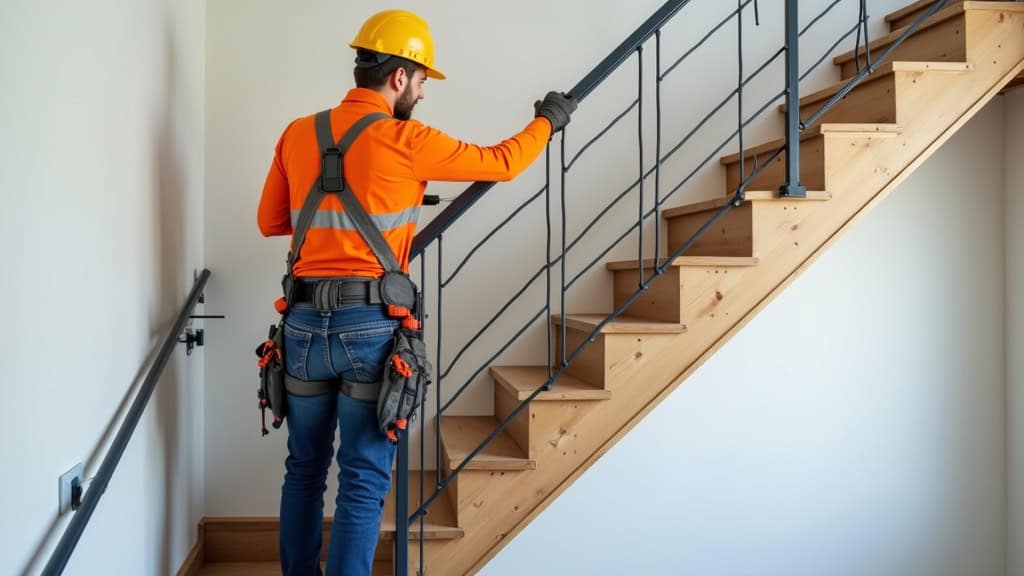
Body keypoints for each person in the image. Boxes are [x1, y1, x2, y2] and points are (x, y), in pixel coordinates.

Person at [256, 9, 576, 576]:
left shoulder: (297, 132)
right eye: (424, 79)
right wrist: (547, 121)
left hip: (302, 326)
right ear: (399, 77)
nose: (424, 92)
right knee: (362, 478)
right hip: (372, 330)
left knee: (303, 468)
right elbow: (502, 162)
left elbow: (270, 221)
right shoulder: (407, 139)